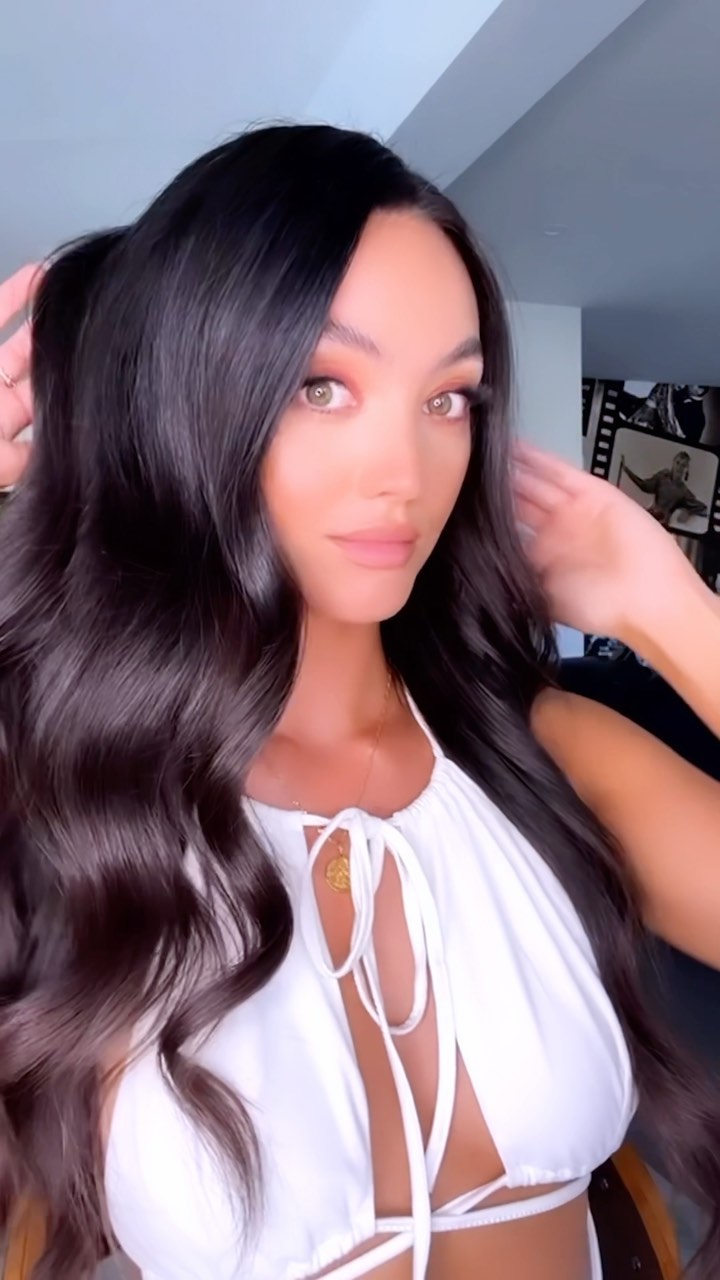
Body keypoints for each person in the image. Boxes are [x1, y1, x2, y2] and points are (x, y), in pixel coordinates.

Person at [1, 125, 720, 1280]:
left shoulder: (549, 753)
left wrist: (677, 615)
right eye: (322, 385)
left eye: (450, 398)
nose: (405, 469)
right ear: (188, 400)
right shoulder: (62, 796)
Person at [620, 449, 709, 527]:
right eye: (678, 463)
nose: (679, 467)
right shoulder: (662, 476)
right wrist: (626, 470)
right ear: (673, 463)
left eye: (683, 465)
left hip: (662, 524)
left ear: (686, 469)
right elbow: (644, 485)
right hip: (648, 516)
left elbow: (702, 508)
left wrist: (686, 512)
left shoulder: (684, 491)